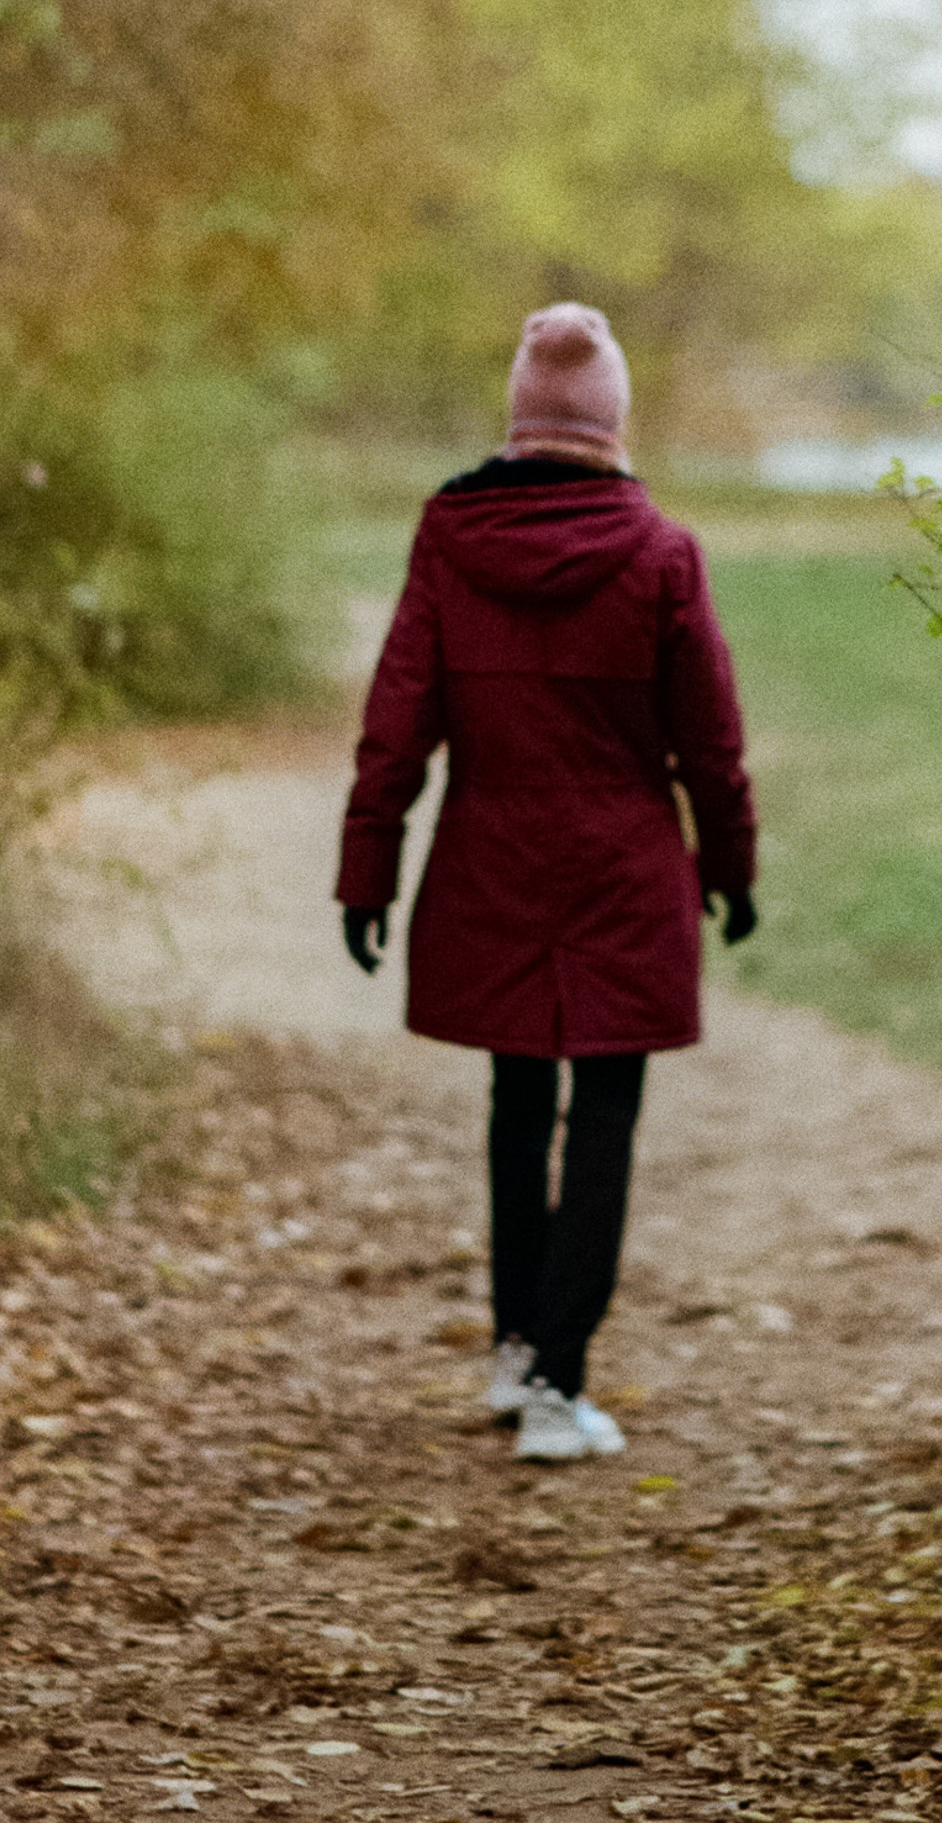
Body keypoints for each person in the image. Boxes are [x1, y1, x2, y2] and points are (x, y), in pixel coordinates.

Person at [335, 302, 757, 1463]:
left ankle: (522, 1351)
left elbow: (397, 718)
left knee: (518, 1108)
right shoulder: (664, 555)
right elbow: (708, 745)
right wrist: (730, 864)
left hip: (492, 864)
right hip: (621, 870)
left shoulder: (447, 536)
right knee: (605, 1112)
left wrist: (367, 864)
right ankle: (559, 1382)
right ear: (612, 418)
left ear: (521, 419)